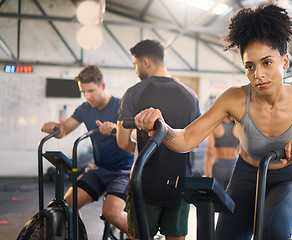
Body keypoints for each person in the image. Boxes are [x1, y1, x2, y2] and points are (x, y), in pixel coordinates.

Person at [132, 2, 292, 240]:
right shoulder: (234, 98)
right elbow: (187, 139)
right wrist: (163, 127)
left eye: (267, 62)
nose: (258, 74)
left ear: (285, 61)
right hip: (244, 179)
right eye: (249, 66)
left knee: (272, 227)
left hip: (288, 180)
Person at [116, 39, 201, 240]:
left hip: (144, 185)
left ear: (146, 62)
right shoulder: (190, 95)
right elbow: (195, 142)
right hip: (180, 184)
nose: (136, 70)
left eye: (135, 64)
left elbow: (122, 142)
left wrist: (138, 148)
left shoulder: (134, 92)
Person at [41, 65, 134, 236]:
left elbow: (135, 137)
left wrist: (116, 129)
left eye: (91, 90)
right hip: (98, 170)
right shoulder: (85, 109)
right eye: (83, 91)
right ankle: (80, 236)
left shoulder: (121, 106)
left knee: (111, 213)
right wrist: (55, 127)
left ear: (103, 86)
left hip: (123, 172)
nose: (87, 96)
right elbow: (63, 130)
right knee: (66, 205)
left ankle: (144, 235)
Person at [204, 116, 239, 189]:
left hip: (218, 165)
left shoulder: (215, 126)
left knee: (217, 196)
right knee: (231, 197)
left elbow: (210, 151)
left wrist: (206, 174)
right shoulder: (238, 126)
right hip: (234, 165)